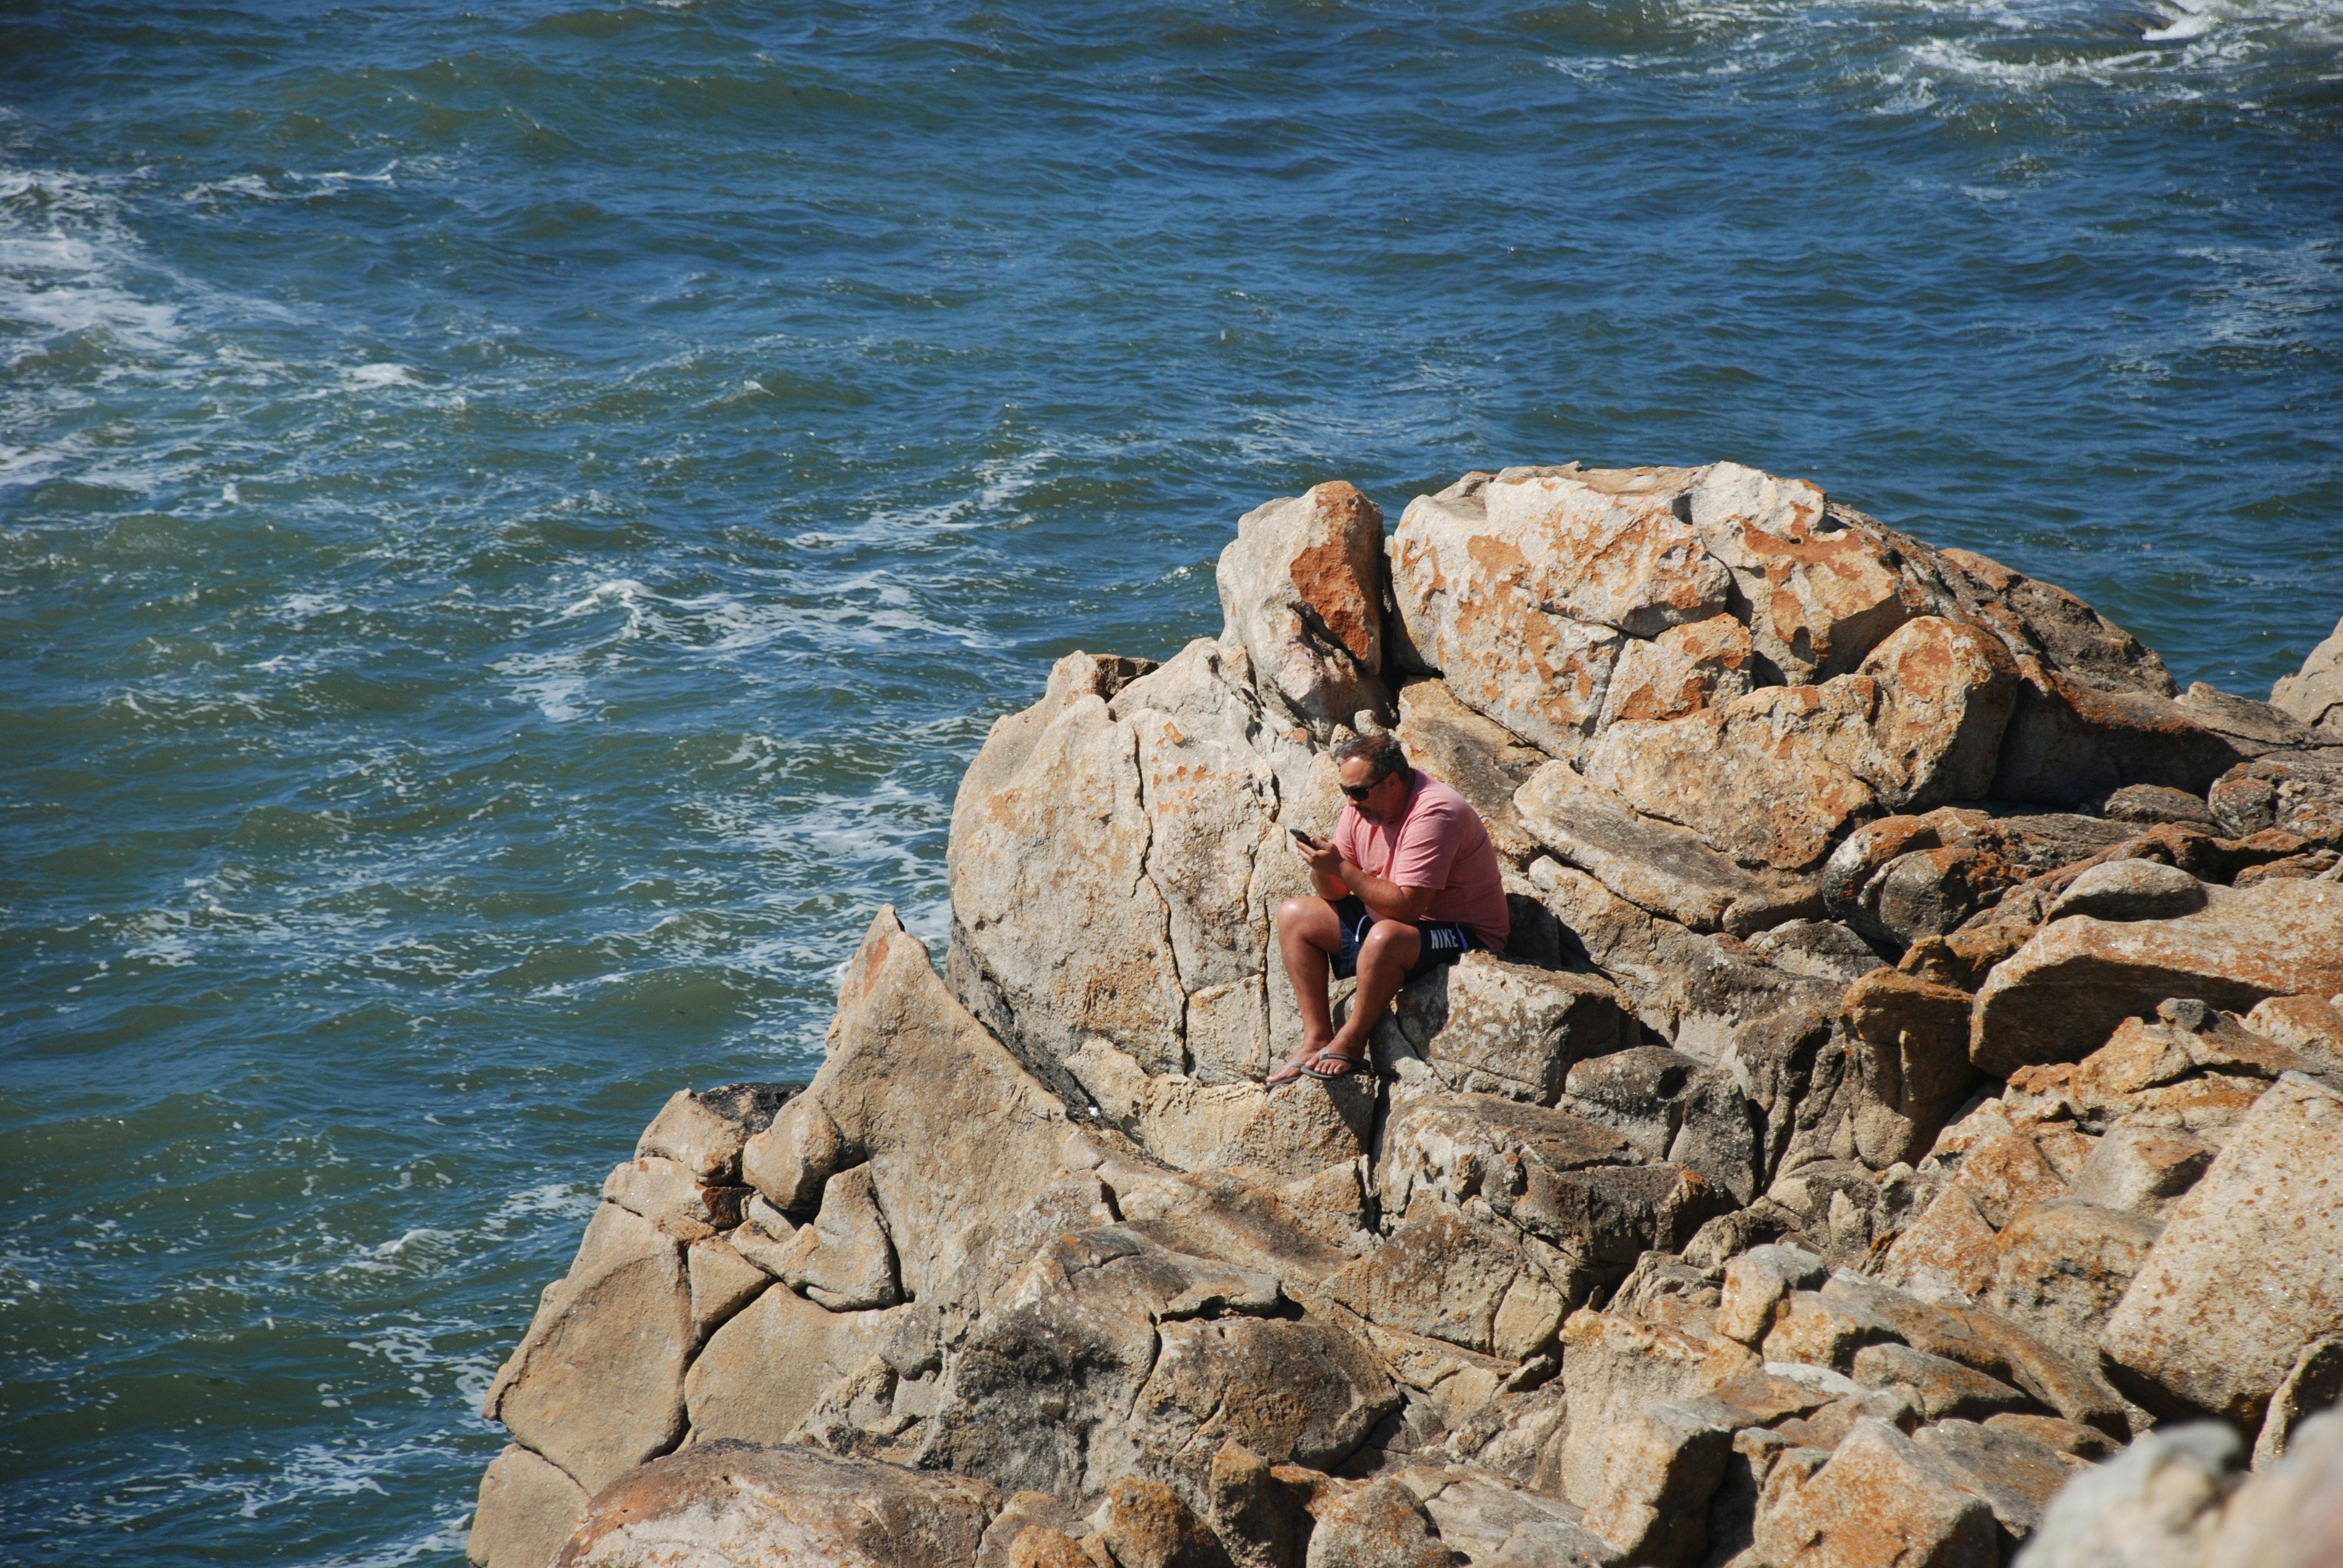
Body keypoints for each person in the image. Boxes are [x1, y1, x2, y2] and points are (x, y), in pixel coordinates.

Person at [1268, 731, 1510, 1083]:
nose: (1351, 802)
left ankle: (1351, 1042)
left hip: (1465, 934)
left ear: (1392, 781)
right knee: (1295, 916)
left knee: (1385, 937)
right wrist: (1325, 868)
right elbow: (1335, 893)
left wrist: (1340, 868)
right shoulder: (1363, 808)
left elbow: (1407, 909)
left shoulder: (1435, 813)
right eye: (1346, 792)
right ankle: (1316, 1037)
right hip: (1396, 923)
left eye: (1359, 792)